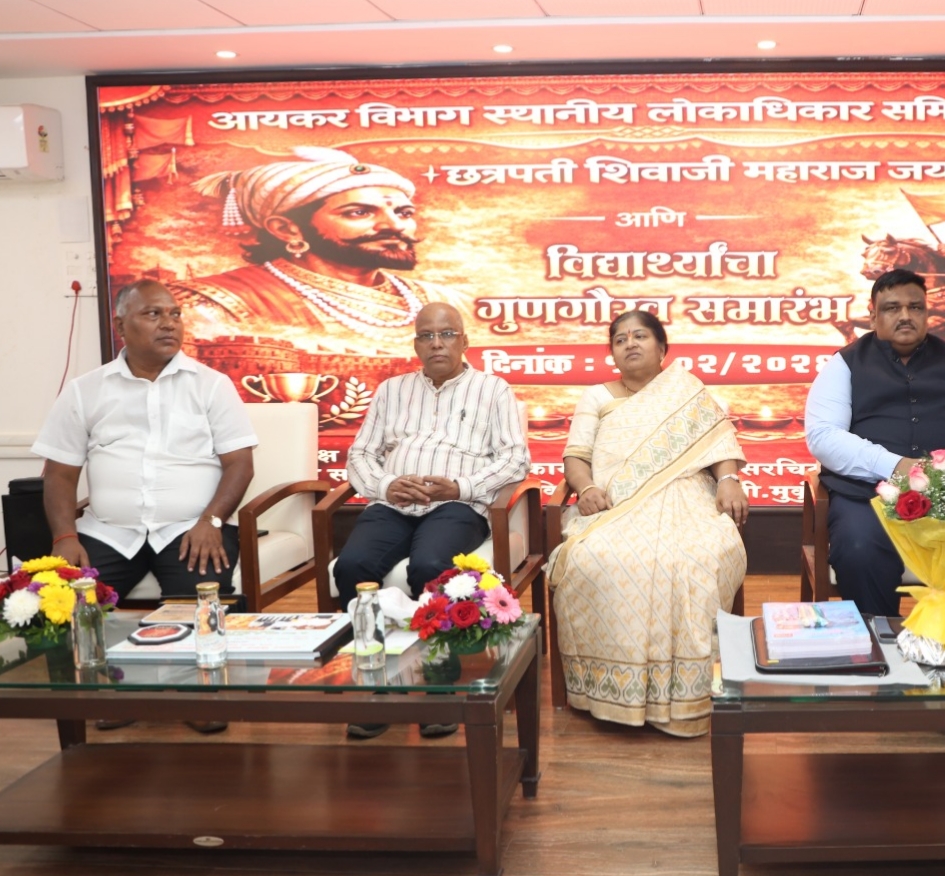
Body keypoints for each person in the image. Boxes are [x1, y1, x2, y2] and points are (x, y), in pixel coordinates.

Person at [33, 279, 257, 735]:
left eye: (174, 314)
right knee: (69, 602)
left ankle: (200, 693)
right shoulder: (85, 390)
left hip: (191, 528)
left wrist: (212, 520)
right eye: (153, 314)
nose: (169, 324)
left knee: (200, 600)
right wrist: (65, 536)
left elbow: (240, 464)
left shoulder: (211, 386)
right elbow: (59, 474)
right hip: (110, 529)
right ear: (121, 326)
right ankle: (116, 689)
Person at [334, 302, 529, 740]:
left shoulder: (492, 389)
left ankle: (439, 684)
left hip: (456, 505)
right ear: (416, 344)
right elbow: (360, 454)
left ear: (465, 341)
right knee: (352, 566)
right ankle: (377, 686)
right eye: (426, 335)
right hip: (393, 503)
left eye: (446, 334)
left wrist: (459, 486)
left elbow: (515, 459)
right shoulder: (391, 390)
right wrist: (386, 486)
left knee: (430, 567)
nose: (436, 343)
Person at [548, 311, 747, 738]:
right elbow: (576, 457)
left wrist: (728, 480)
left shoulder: (686, 390)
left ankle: (687, 693)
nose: (630, 344)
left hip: (687, 496)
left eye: (640, 336)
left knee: (696, 558)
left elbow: (719, 445)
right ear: (612, 353)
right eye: (620, 339)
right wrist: (585, 488)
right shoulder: (597, 396)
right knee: (594, 557)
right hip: (614, 504)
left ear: (662, 348)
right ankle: (613, 688)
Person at [805, 268, 945, 618]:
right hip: (868, 494)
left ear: (927, 312)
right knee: (858, 548)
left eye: (915, 307)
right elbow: (823, 436)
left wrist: (943, 468)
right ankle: (879, 640)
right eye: (892, 308)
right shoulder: (844, 364)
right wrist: (897, 467)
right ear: (872, 315)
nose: (905, 316)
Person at [170, 146, 478, 349]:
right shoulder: (212, 302)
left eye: (404, 212)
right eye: (359, 212)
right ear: (287, 228)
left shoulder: (447, 302)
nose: (394, 225)